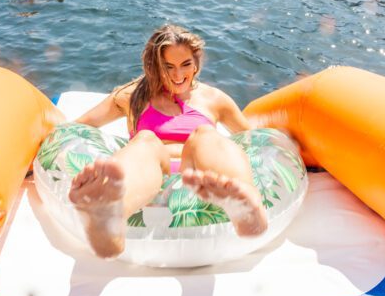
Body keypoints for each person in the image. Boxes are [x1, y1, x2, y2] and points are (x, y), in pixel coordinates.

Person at [67, 24, 268, 259]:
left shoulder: (214, 99)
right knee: (146, 139)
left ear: (196, 63)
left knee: (205, 135)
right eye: (168, 67)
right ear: (155, 65)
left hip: (198, 173)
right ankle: (110, 222)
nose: (178, 75)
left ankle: (246, 205)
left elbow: (249, 138)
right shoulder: (132, 95)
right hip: (151, 172)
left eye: (186, 65)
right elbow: (81, 126)